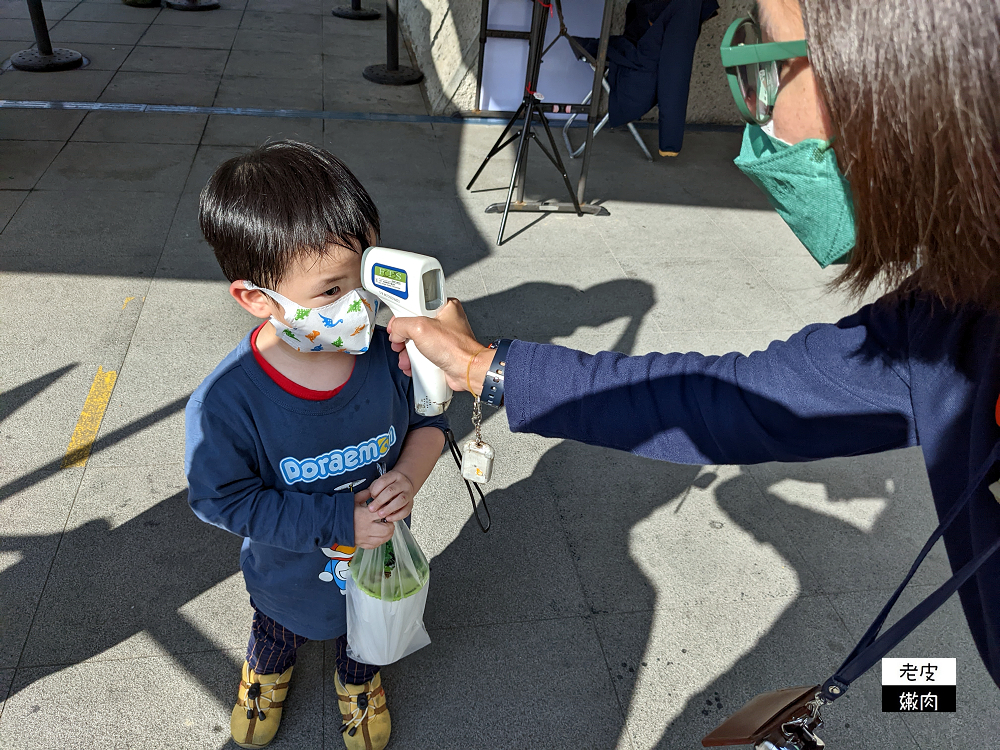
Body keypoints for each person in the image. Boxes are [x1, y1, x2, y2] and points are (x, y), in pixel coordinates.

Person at [386, 0, 1000, 695]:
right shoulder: (951, 309)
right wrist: (484, 367)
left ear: (887, 77)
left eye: (764, 65)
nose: (758, 116)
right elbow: (734, 401)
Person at [184, 141, 447, 750]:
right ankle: (266, 672)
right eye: (330, 291)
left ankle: (359, 682)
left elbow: (431, 424)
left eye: (366, 280)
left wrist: (410, 472)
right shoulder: (229, 401)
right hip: (286, 573)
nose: (358, 304)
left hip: (380, 564)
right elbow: (220, 498)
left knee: (366, 638)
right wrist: (340, 518)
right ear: (255, 297)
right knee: (279, 627)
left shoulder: (389, 356)